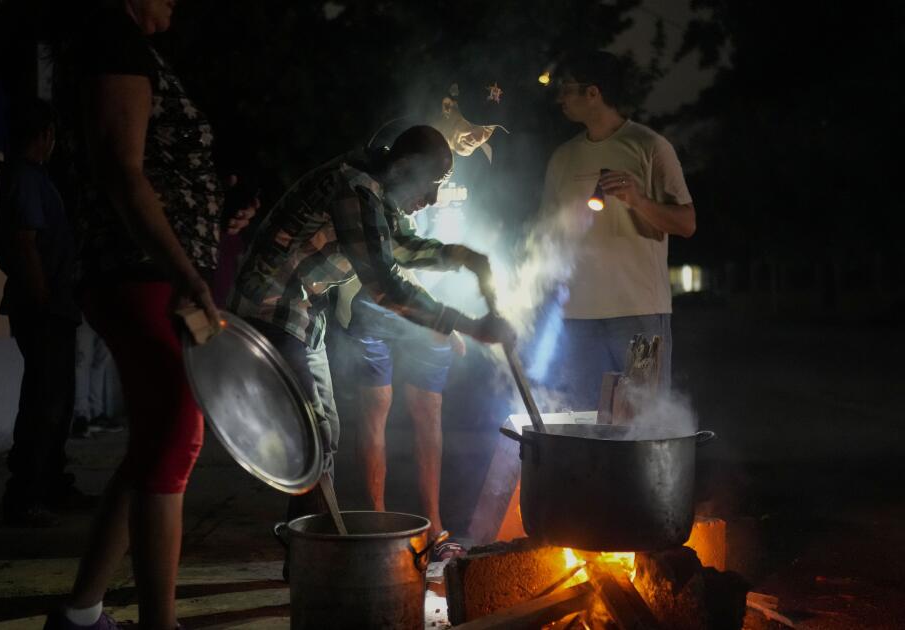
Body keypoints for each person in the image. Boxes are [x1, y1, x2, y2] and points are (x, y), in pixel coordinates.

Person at [46, 1, 252, 628]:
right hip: (139, 272)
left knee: (154, 444)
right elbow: (123, 173)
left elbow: (155, 171)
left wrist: (213, 212)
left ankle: (80, 614)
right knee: (174, 437)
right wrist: (187, 273)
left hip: (149, 269)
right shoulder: (112, 44)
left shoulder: (129, 47)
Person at [229, 125, 515, 542]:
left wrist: (462, 257)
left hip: (302, 316)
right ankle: (312, 551)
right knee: (315, 437)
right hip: (273, 311)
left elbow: (400, 245)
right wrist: (469, 326)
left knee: (324, 438)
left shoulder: (374, 191)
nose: (433, 198)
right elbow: (386, 283)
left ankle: (306, 548)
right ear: (403, 167)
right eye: (432, 184)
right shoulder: (353, 187)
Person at [333, 83, 508, 560]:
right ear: (451, 109)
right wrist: (453, 319)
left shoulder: (482, 164)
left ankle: (433, 529)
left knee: (428, 410)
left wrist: (459, 286)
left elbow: (473, 228)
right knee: (376, 407)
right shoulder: (402, 144)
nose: (480, 139)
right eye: (475, 129)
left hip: (433, 298)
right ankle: (377, 526)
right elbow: (385, 256)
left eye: (488, 132)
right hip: (380, 295)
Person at [542, 51, 697, 409]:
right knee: (586, 424)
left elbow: (687, 223)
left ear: (592, 93)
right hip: (578, 318)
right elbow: (546, 234)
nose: (560, 98)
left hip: (639, 314)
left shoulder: (650, 147)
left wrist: (638, 200)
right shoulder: (562, 158)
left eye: (567, 90)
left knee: (641, 426)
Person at [0, 99, 85, 527]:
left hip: (51, 303)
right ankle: (27, 491)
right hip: (44, 306)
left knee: (54, 399)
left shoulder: (31, 177)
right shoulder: (26, 178)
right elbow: (25, 242)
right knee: (45, 400)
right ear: (45, 134)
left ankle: (47, 484)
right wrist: (45, 297)